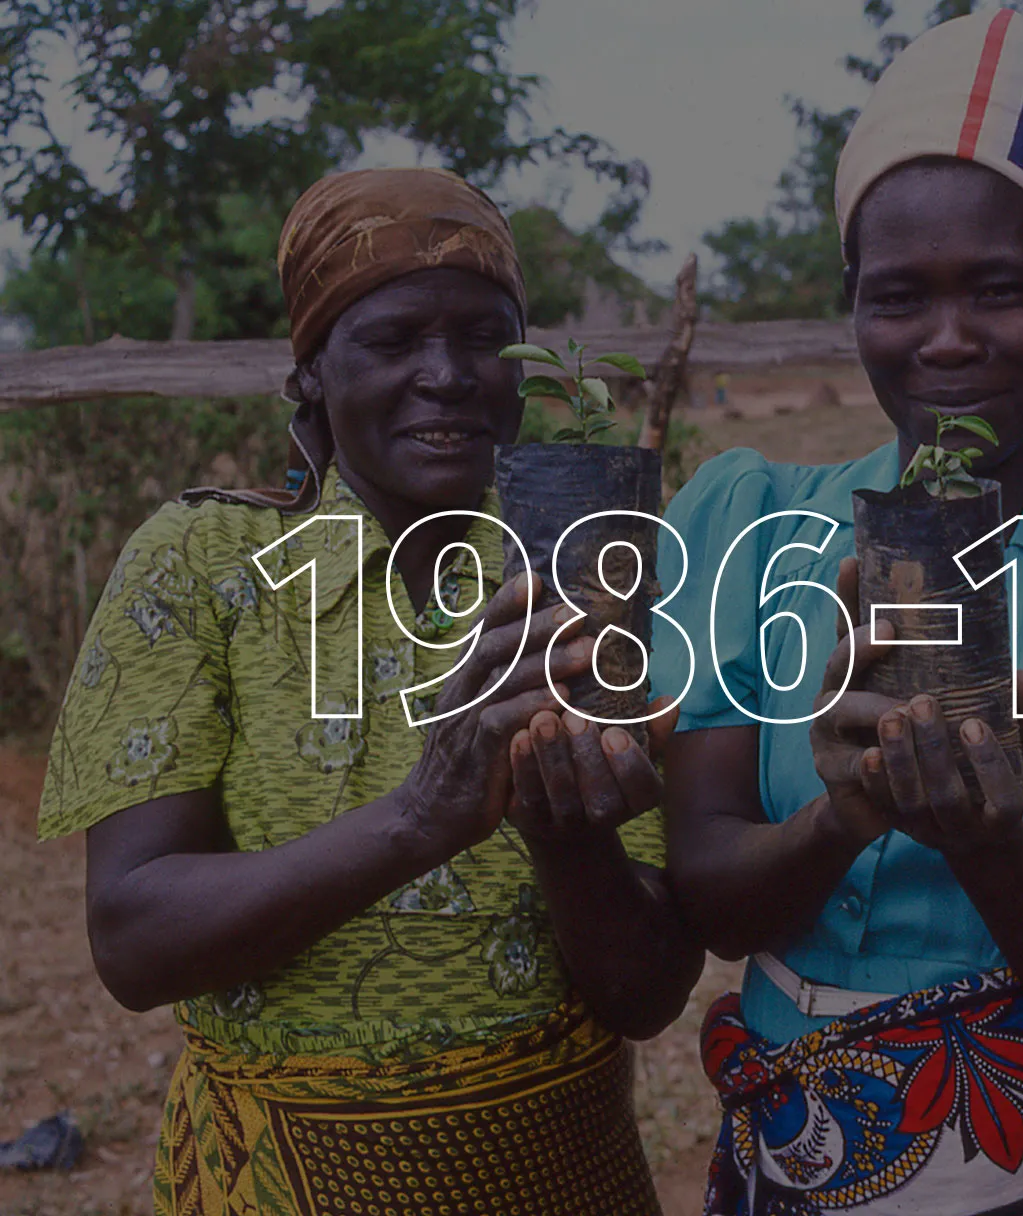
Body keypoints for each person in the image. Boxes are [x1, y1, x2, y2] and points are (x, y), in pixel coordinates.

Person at [651, 12, 1023, 1215]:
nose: (947, 341)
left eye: (998, 290)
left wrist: (987, 841)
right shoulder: (757, 525)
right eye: (899, 298)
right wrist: (846, 816)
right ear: (851, 302)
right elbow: (712, 900)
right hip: (783, 1172)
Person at [38, 167, 701, 1216]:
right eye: (392, 341)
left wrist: (566, 831)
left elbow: (646, 992)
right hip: (278, 1185)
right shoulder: (206, 565)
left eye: (485, 338)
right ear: (310, 373)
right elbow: (133, 937)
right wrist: (420, 818)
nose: (446, 375)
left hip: (565, 1178)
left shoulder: (584, 579)